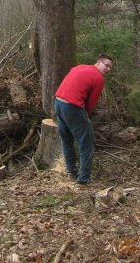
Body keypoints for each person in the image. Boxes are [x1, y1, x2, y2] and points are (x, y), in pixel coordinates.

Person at [54, 53, 114, 185]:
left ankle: (71, 172)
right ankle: (83, 180)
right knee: (87, 143)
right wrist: (86, 116)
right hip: (72, 106)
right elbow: (91, 102)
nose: (108, 69)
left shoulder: (79, 67)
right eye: (106, 65)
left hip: (58, 103)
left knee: (67, 139)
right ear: (98, 62)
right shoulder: (99, 78)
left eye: (110, 67)